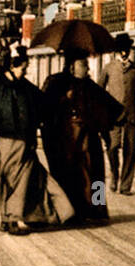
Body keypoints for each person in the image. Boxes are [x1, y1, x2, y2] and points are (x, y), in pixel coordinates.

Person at [0, 47, 74, 234]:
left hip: (23, 141)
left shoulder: (27, 88)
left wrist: (63, 96)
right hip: (0, 141)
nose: (25, 72)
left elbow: (45, 104)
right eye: (23, 69)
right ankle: (6, 218)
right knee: (3, 181)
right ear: (11, 66)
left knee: (19, 180)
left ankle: (14, 219)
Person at [42, 48, 124, 224]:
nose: (88, 69)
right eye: (84, 65)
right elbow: (45, 109)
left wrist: (123, 116)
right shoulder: (56, 83)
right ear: (72, 66)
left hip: (89, 139)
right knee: (68, 175)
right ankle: (70, 213)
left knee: (96, 176)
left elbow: (111, 107)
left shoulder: (90, 86)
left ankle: (98, 211)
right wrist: (65, 99)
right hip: (65, 140)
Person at [97, 33, 135, 195]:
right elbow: (99, 91)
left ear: (130, 50)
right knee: (112, 147)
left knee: (130, 150)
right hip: (113, 116)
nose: (124, 52)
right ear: (116, 51)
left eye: (126, 49)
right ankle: (114, 175)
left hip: (131, 115)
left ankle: (125, 185)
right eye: (121, 50)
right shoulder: (109, 68)